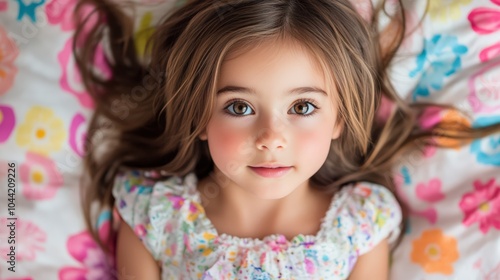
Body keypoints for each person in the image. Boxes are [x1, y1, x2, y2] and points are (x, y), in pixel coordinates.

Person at [73, 0, 500, 279]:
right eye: (239, 107)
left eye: (302, 108)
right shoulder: (155, 215)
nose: (271, 138)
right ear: (199, 117)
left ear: (339, 119)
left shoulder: (360, 226)